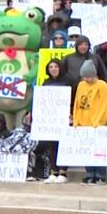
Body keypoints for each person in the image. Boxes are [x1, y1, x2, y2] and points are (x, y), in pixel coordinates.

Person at [32, 55, 73, 183]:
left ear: (60, 67)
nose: (53, 69)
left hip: (64, 117)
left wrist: (72, 114)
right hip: (50, 119)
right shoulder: (46, 82)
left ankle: (63, 171)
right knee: (52, 145)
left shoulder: (69, 80)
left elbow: (74, 99)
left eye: (55, 66)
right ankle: (53, 171)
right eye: (51, 67)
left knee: (63, 145)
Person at [70, 59, 107, 185]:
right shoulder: (81, 85)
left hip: (97, 123)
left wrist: (99, 121)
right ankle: (89, 173)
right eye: (84, 77)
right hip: (83, 122)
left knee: (99, 150)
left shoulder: (102, 85)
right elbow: (77, 103)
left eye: (89, 77)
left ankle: (100, 174)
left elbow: (105, 105)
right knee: (87, 150)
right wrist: (76, 120)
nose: (87, 79)